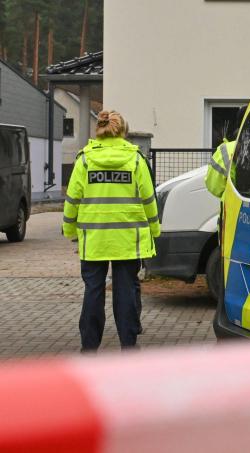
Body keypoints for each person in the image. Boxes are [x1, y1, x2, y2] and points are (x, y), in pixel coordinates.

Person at [63, 110, 160, 352]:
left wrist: (69, 228)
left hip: (94, 239)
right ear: (123, 130)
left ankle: (89, 346)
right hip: (127, 239)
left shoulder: (84, 160)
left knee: (93, 291)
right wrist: (154, 229)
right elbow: (149, 199)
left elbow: (72, 198)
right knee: (125, 291)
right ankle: (128, 344)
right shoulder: (136, 159)